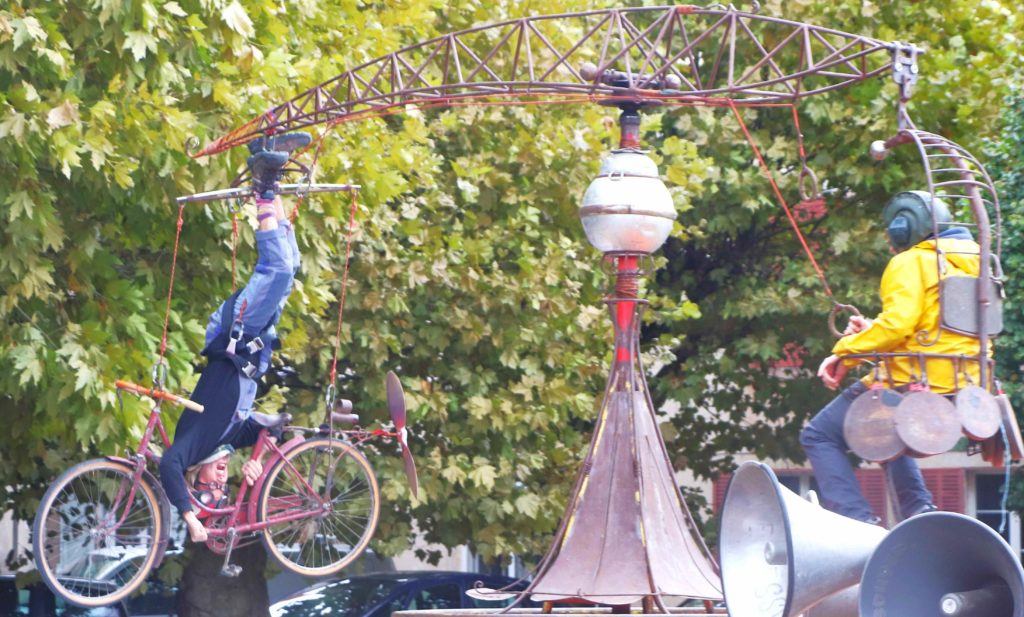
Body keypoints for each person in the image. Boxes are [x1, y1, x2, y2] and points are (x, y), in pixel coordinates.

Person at [159, 132, 310, 543]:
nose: (220, 480)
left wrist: (190, 518)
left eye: (210, 484)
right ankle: (270, 168)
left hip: (235, 334)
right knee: (290, 265)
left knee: (276, 271)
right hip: (251, 340)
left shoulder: (193, 443)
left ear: (196, 475)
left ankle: (264, 182)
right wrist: (259, 463)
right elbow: (274, 426)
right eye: (221, 489)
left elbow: (167, 465)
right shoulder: (229, 438)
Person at [800, 190, 983, 524]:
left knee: (819, 434)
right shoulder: (977, 262)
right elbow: (931, 326)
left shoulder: (911, 261)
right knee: (884, 429)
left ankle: (855, 521)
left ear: (904, 227)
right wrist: (871, 329)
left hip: (911, 380)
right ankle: (918, 509)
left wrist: (843, 353)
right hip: (964, 383)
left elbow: (898, 326)